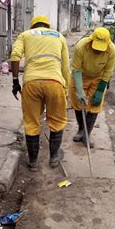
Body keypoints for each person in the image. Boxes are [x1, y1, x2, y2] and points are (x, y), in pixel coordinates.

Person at [10, 15, 70, 172]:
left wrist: (15, 81)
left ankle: (33, 161)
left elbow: (15, 56)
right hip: (55, 82)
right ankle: (54, 157)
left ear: (33, 26)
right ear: (47, 26)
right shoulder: (59, 36)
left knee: (31, 122)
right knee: (57, 121)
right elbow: (65, 67)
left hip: (31, 83)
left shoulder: (25, 35)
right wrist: (67, 88)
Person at [70, 27, 115, 148]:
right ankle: (81, 129)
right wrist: (80, 91)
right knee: (78, 102)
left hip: (98, 77)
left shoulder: (111, 50)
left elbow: (107, 72)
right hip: (81, 76)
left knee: (95, 105)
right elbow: (76, 69)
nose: (98, 51)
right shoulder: (81, 46)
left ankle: (87, 134)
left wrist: (100, 91)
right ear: (91, 40)